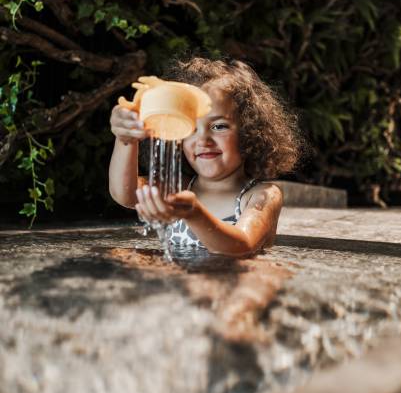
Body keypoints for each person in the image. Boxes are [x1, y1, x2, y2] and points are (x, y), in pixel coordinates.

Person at [109, 57, 301, 257]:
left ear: (250, 132)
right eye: (191, 129)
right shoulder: (178, 188)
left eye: (219, 126)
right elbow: (125, 193)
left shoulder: (261, 195)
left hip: (235, 284)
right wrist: (126, 139)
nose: (203, 139)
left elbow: (242, 245)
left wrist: (194, 213)